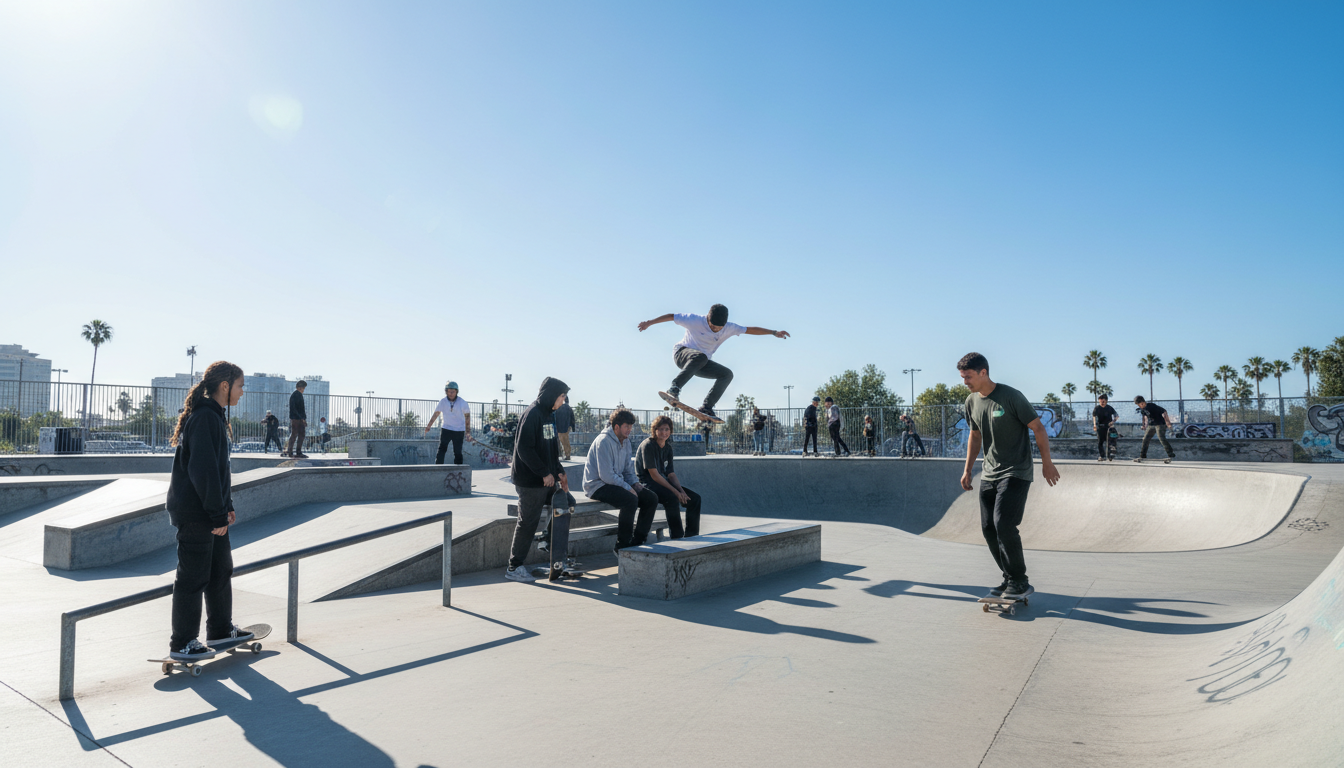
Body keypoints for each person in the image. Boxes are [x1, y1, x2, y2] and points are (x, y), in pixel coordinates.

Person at [166, 361, 253, 661]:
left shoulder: (213, 416)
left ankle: (219, 629)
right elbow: (202, 471)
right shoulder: (204, 417)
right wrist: (216, 513)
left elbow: (218, 471)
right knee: (193, 578)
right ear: (225, 386)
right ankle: (183, 642)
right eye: (240, 386)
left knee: (220, 572)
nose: (243, 392)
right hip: (196, 514)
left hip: (210, 513)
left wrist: (225, 508)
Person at [957, 352, 1061, 602]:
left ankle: (1019, 580)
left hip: (1016, 471)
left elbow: (1038, 427)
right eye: (962, 377)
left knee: (1004, 523)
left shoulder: (1011, 396)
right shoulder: (971, 401)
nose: (965, 382)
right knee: (988, 528)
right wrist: (968, 468)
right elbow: (975, 435)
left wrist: (1047, 463)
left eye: (968, 377)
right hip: (989, 472)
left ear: (983, 372)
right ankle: (1009, 577)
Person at [637, 304, 789, 420]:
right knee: (700, 357)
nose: (715, 329)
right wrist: (649, 323)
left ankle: (707, 407)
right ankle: (674, 388)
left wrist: (773, 332)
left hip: (700, 363)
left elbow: (750, 329)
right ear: (707, 318)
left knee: (727, 374)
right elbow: (671, 316)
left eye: (719, 327)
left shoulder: (729, 328)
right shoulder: (694, 320)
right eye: (712, 326)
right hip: (682, 353)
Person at [504, 377, 571, 582]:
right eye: (562, 396)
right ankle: (514, 567)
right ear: (552, 395)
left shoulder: (549, 415)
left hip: (547, 479)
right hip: (530, 481)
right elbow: (524, 449)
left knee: (567, 504)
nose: (563, 401)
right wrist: (544, 473)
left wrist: (559, 471)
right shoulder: (532, 414)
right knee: (528, 522)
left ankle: (546, 541)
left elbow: (551, 448)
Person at [583, 409, 659, 552]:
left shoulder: (626, 442)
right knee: (629, 500)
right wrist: (627, 488)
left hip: (615, 482)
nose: (629, 430)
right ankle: (622, 546)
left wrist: (635, 484)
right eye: (626, 426)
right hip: (597, 485)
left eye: (631, 426)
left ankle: (638, 541)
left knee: (651, 498)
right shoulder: (604, 441)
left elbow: (627, 470)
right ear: (616, 427)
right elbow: (606, 475)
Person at [636, 415, 702, 539]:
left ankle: (692, 536)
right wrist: (676, 493)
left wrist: (682, 492)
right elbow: (654, 475)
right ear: (654, 430)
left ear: (670, 431)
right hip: (647, 484)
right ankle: (677, 537)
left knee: (694, 499)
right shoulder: (648, 445)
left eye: (666, 429)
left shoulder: (668, 448)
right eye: (660, 429)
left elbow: (670, 474)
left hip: (662, 483)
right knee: (671, 498)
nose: (664, 432)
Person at [425, 381, 472, 466]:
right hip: (446, 428)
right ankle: (438, 468)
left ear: (456, 392)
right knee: (442, 449)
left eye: (453, 391)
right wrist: (429, 426)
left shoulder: (462, 402)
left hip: (459, 430)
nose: (451, 393)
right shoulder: (443, 401)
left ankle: (458, 470)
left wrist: (468, 432)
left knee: (457, 451)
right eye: (449, 391)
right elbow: (436, 414)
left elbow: (467, 417)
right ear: (446, 391)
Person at [1133, 396, 1176, 464]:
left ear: (1143, 402)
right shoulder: (1142, 409)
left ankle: (1171, 454)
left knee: (1161, 438)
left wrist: (1168, 423)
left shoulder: (1152, 406)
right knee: (1145, 439)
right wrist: (1144, 425)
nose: (1140, 406)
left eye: (1140, 404)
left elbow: (1164, 411)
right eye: (1138, 405)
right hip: (1151, 425)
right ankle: (1143, 456)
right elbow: (1145, 417)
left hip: (1160, 424)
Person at [1091, 395, 1119, 462]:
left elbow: (1117, 416)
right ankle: (1102, 456)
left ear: (1106, 401)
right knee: (1100, 442)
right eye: (1100, 401)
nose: (1102, 403)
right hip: (1100, 427)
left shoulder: (1109, 408)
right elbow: (1094, 416)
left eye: (1103, 401)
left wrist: (1112, 422)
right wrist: (1094, 425)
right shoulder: (1097, 408)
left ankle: (1110, 456)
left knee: (1109, 442)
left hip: (1108, 427)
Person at [284, 380, 308, 459]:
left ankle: (296, 451)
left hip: (298, 418)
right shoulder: (295, 395)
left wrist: (303, 418)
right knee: (296, 434)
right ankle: (292, 451)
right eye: (303, 388)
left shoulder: (298, 395)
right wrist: (301, 418)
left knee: (299, 434)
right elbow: (295, 408)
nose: (303, 390)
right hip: (296, 418)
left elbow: (301, 409)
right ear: (300, 387)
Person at [554, 395, 575, 461]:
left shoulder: (558, 407)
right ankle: (567, 454)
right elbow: (572, 418)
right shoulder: (569, 408)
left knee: (558, 441)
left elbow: (554, 417)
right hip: (566, 427)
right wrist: (573, 427)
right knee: (566, 441)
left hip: (558, 427)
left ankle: (559, 454)